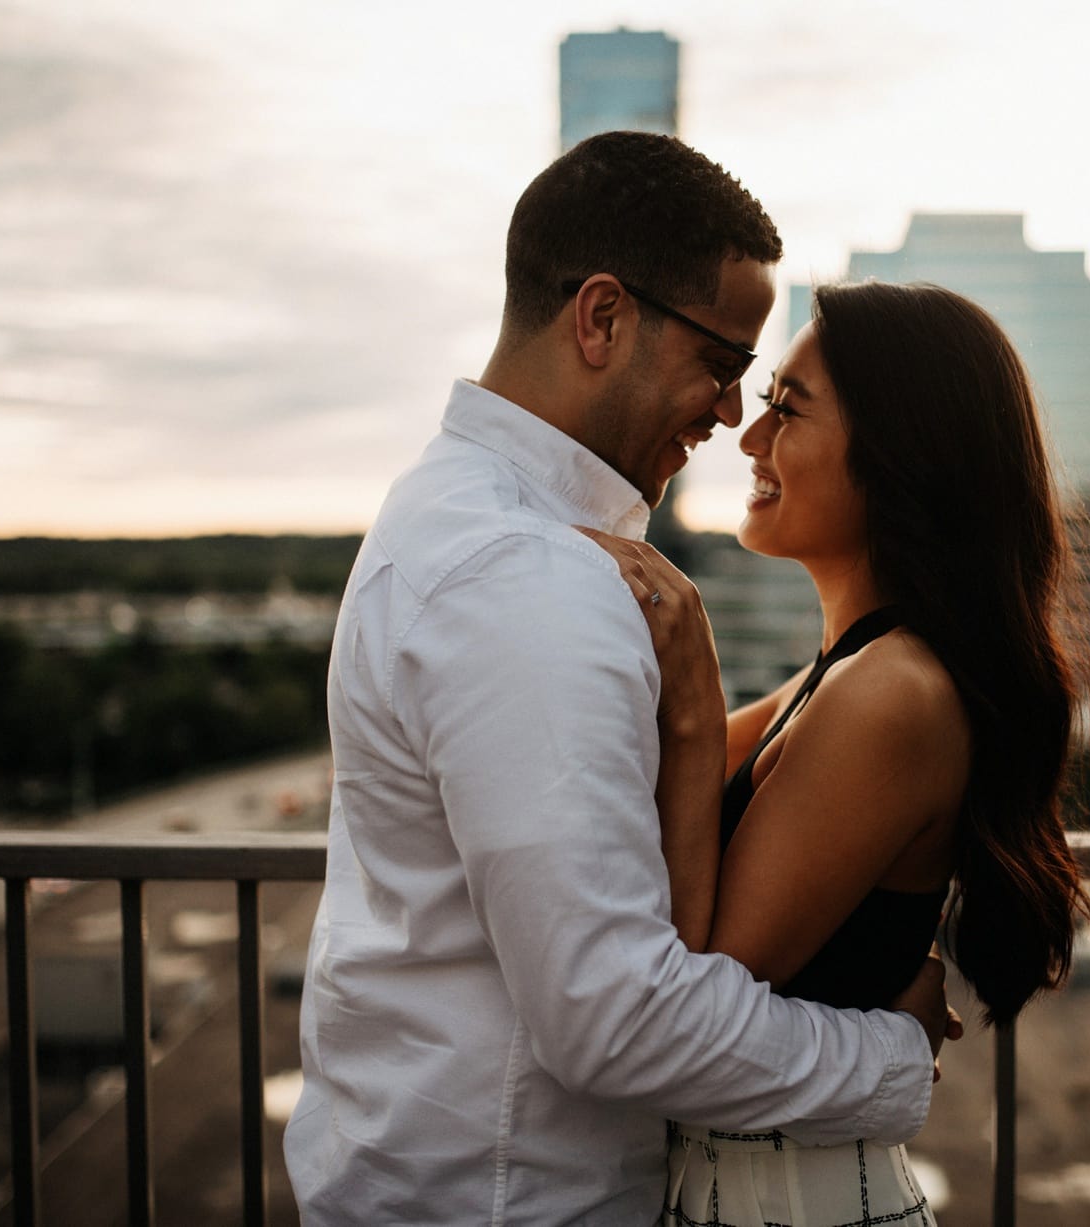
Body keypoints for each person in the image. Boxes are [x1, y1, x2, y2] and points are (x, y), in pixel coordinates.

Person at [282, 132, 954, 1226]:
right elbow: (616, 1021)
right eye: (726, 366)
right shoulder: (527, 574)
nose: (733, 417)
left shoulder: (456, 515)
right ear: (602, 317)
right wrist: (892, 1052)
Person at [584, 280, 1090, 1225]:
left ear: (899, 457)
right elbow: (641, 790)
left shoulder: (893, 693)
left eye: (787, 408)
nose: (750, 438)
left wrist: (697, 706)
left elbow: (698, 995)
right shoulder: (842, 674)